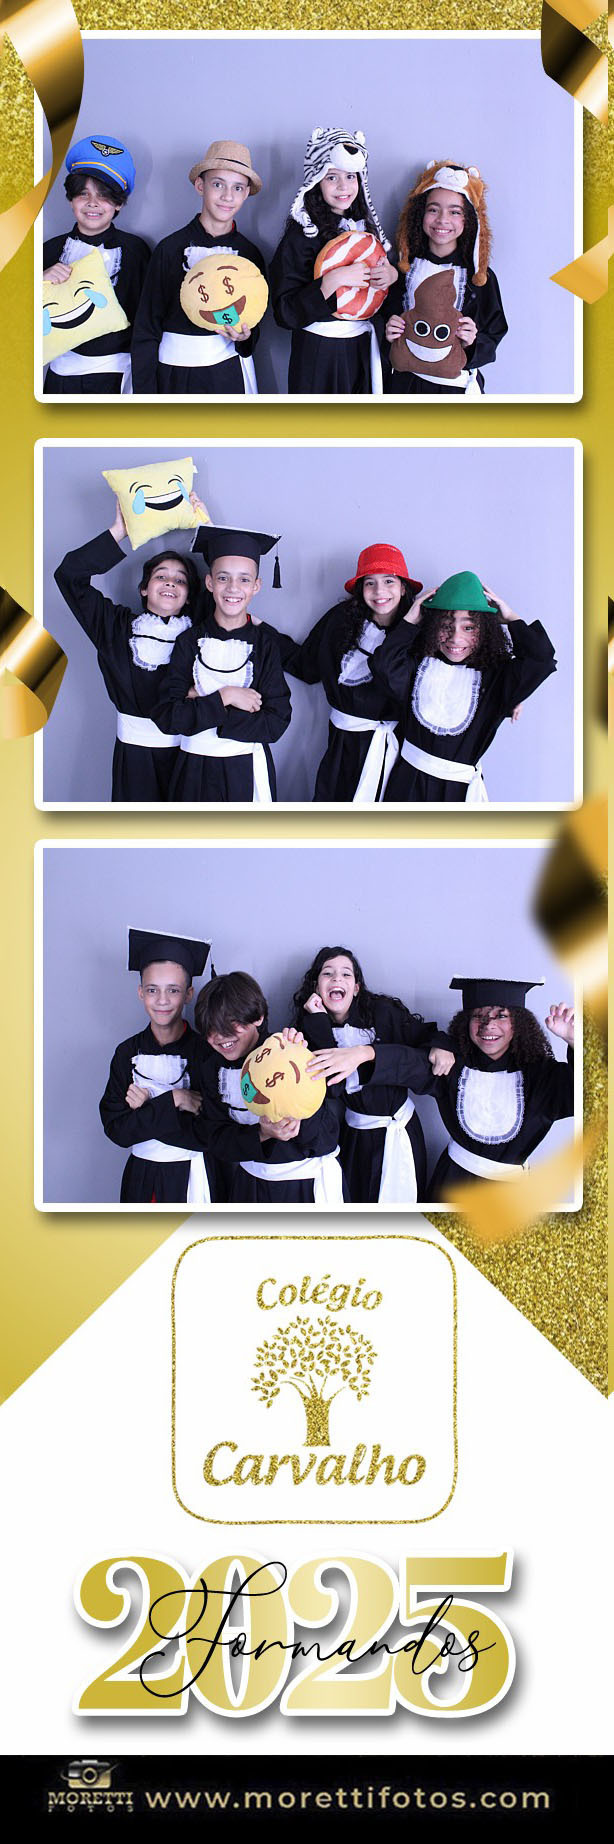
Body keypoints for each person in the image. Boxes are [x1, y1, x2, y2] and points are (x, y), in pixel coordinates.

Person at [54, 494, 206, 802]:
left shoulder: (202, 631)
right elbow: (69, 576)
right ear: (144, 588)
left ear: (189, 596)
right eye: (161, 577)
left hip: (193, 756)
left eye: (180, 581)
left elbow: (229, 587)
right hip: (135, 761)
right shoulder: (116, 627)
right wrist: (119, 531)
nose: (170, 583)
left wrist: (207, 527)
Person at [367, 572, 557, 804]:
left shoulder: (496, 678)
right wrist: (410, 621)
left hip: (456, 793)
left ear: (486, 630)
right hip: (405, 782)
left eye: (469, 628)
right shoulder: (418, 665)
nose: (455, 638)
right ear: (432, 627)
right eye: (446, 626)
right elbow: (384, 665)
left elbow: (541, 660)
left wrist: (511, 618)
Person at [294, 945, 453, 1204]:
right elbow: (332, 1086)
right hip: (357, 1135)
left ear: (356, 988)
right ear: (316, 987)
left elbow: (427, 1037)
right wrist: (319, 1022)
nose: (337, 979)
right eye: (327, 973)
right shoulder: (309, 1029)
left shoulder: (383, 1013)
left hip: (402, 1129)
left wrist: (441, 1045)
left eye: (346, 974)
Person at [153, 526, 291, 803]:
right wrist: (227, 697)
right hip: (193, 769)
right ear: (209, 583)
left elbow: (275, 722)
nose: (233, 588)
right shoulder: (188, 641)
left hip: (247, 770)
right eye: (223, 578)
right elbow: (168, 716)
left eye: (244, 579)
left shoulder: (265, 645)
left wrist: (203, 703)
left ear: (256, 586)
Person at [275, 543, 423, 802]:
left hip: (396, 748)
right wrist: (261, 632)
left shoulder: (420, 631)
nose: (379, 591)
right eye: (370, 583)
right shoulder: (341, 619)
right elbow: (306, 666)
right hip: (343, 746)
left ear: (403, 587)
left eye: (389, 581)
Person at [191, 973, 345, 1206]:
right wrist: (262, 1134)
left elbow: (326, 1136)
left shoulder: (289, 1049)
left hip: (305, 1186)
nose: (220, 1036)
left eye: (230, 1024)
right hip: (249, 1186)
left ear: (258, 1017)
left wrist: (298, 1116)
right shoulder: (212, 1068)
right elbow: (215, 1138)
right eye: (210, 1028)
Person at [131, 141, 266, 395]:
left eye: (237, 187)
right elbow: (146, 328)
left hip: (228, 374)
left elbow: (254, 326)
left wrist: (245, 338)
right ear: (200, 186)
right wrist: (145, 394)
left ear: (246, 193)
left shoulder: (250, 255)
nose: (228, 196)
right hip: (172, 375)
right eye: (218, 184)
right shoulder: (169, 249)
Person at [271, 127, 397, 395]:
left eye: (351, 176)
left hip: (361, 349)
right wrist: (332, 281)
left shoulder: (366, 231)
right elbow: (284, 312)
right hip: (319, 355)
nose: (344, 186)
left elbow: (380, 293)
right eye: (332, 177)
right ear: (316, 180)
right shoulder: (302, 235)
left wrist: (391, 276)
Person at [426, 978, 575, 1200]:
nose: (488, 1025)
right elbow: (404, 1060)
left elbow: (594, 1094)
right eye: (478, 1015)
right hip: (451, 1184)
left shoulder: (543, 1076)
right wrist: (437, 1042)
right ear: (466, 1022)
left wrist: (575, 1041)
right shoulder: (450, 1064)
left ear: (519, 1023)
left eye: (502, 1015)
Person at [99, 929, 213, 1204]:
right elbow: (118, 1130)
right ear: (141, 992)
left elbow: (207, 1134)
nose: (162, 1000)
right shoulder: (126, 1052)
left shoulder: (206, 1052)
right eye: (152, 990)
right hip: (141, 1176)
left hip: (193, 1174)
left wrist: (146, 1110)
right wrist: (175, 1099)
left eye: (173, 990)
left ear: (188, 994)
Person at [383, 161, 507, 396]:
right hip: (405, 386)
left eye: (455, 212)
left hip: (454, 390)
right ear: (420, 213)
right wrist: (388, 330)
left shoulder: (479, 278)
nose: (442, 219)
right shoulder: (402, 271)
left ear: (468, 219)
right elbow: (383, 318)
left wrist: (472, 341)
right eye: (433, 209)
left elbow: (494, 333)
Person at [43, 134, 150, 394]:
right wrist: (38, 281)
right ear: (71, 199)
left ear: (119, 203)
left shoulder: (136, 251)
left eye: (104, 195)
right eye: (83, 194)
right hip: (61, 377)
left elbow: (147, 319)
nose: (92, 203)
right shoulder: (50, 250)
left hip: (117, 376)